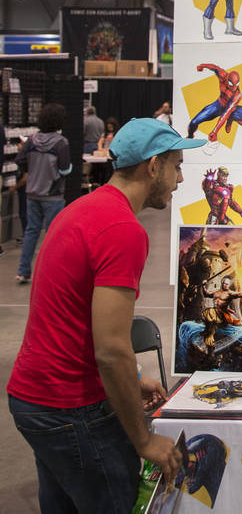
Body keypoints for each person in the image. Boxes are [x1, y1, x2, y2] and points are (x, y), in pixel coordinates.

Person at [8, 118, 200, 511]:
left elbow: (74, 321)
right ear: (152, 167)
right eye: (176, 166)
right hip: (71, 405)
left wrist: (132, 378)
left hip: (37, 399)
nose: (179, 179)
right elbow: (111, 349)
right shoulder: (121, 228)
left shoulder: (84, 210)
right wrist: (144, 442)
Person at [15, 104, 72, 284]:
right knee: (53, 235)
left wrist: (32, 171)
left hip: (32, 192)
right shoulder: (61, 142)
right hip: (53, 194)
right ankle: (50, 273)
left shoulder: (31, 140)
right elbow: (64, 170)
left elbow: (20, 160)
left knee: (31, 231)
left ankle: (23, 271)